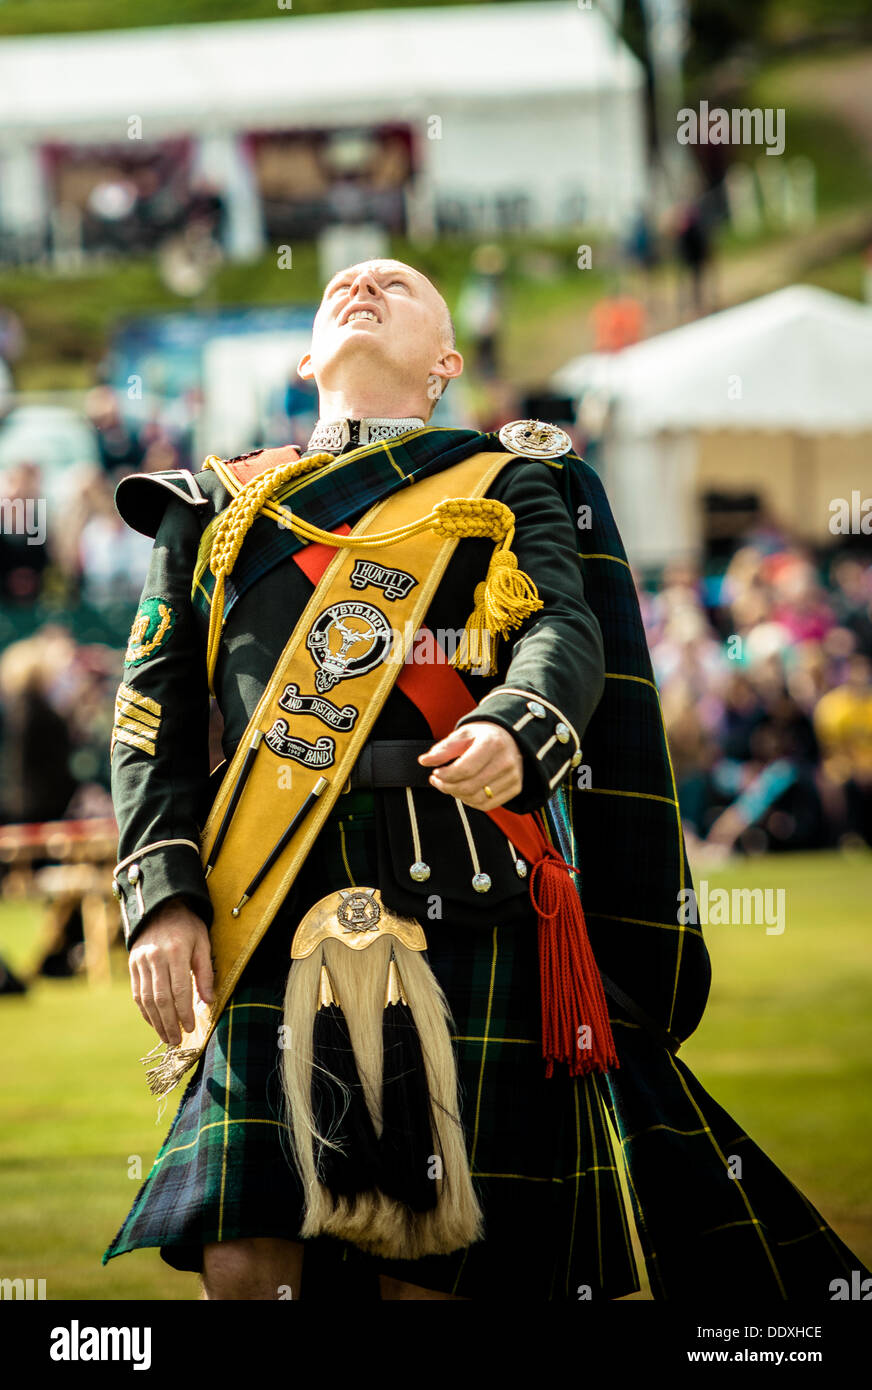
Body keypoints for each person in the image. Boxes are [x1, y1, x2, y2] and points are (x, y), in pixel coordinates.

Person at [103, 259, 868, 1302]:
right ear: (303, 357)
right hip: (264, 903)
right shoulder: (213, 505)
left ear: (445, 365)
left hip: (458, 887)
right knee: (243, 1251)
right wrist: (160, 899)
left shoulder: (509, 482)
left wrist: (524, 723)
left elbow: (562, 624)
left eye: (398, 285)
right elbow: (149, 716)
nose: (363, 284)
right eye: (341, 285)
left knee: (436, 1261)